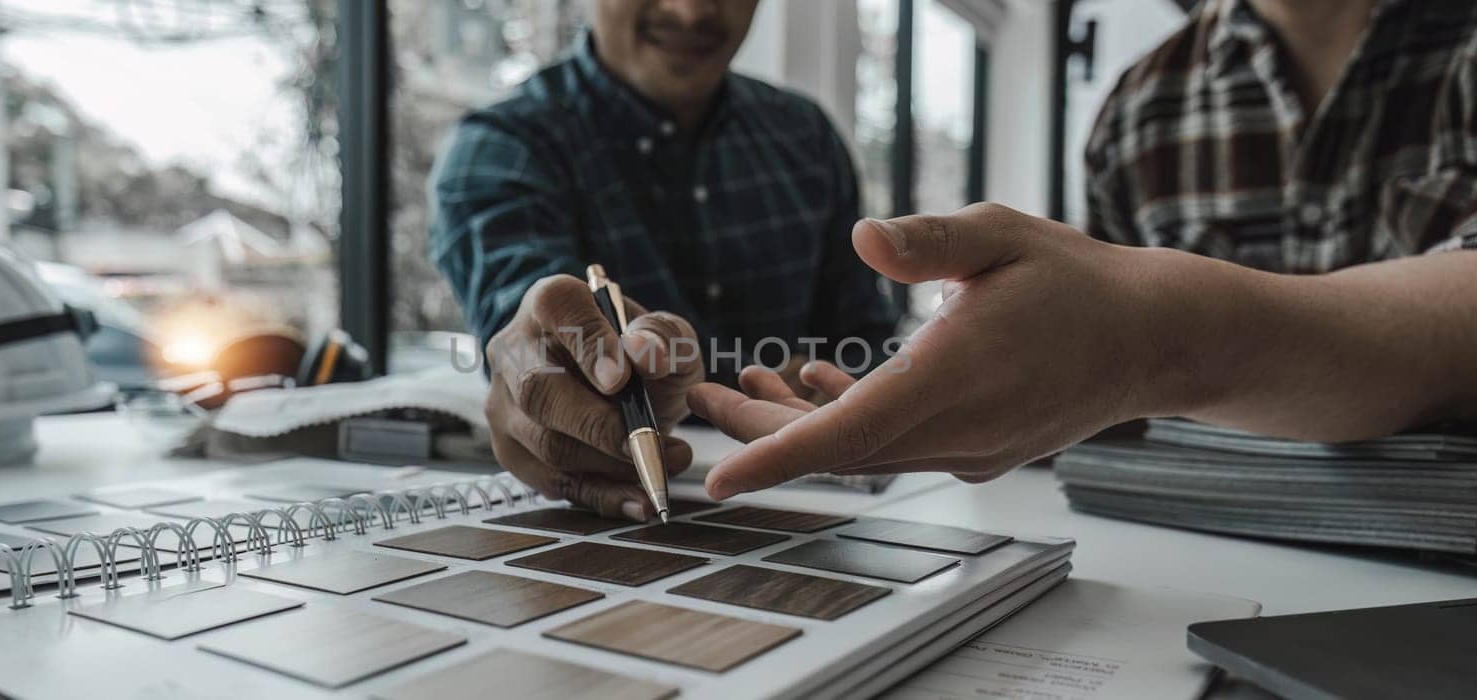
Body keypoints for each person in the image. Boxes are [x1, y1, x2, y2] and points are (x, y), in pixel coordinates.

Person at [688, 0, 1477, 500]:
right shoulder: (1142, 107)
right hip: (1193, 561)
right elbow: (1102, 393)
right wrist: (965, 392)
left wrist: (1153, 339)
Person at [429, 0, 899, 519]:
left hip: (826, 520)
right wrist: (550, 370)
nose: (692, 11)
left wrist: (836, 382)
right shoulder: (500, 149)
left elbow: (869, 347)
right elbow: (532, 343)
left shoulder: (807, 137)